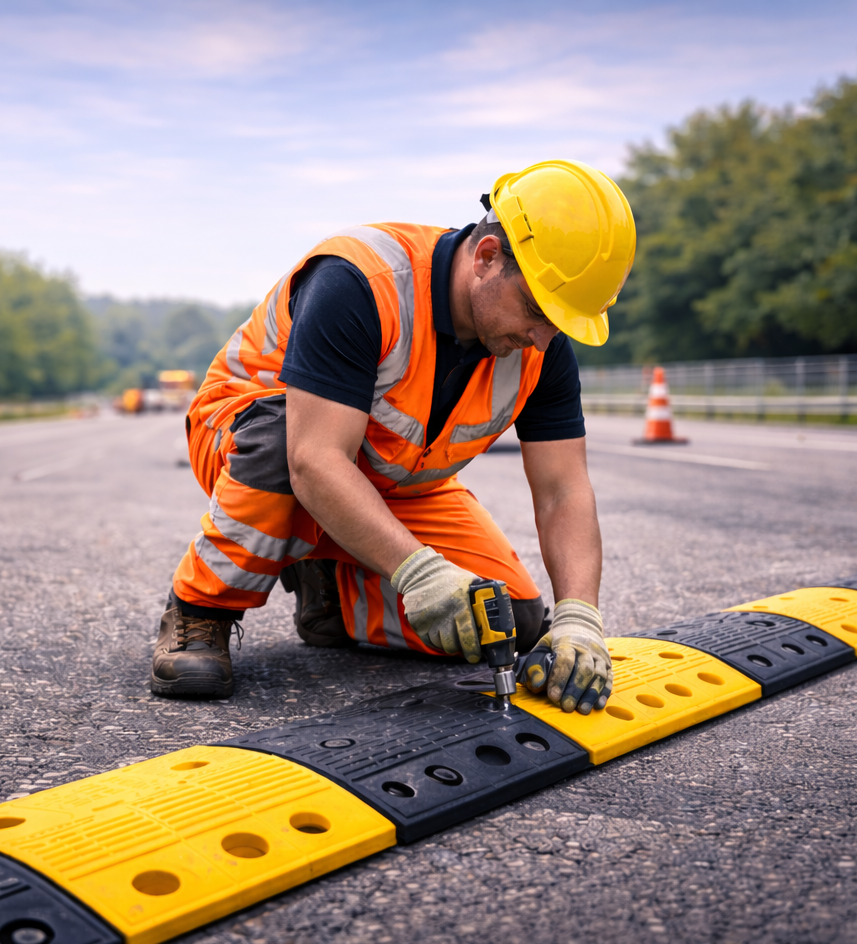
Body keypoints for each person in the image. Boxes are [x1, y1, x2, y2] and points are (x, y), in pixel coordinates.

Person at [151, 159, 635, 715]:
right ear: (486, 258)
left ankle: (334, 589)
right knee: (286, 449)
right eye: (536, 311)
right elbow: (314, 458)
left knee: (508, 620)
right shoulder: (360, 283)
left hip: (390, 477)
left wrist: (579, 615)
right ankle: (200, 610)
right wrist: (419, 572)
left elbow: (563, 491)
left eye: (560, 323)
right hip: (260, 442)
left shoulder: (540, 347)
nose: (542, 338)